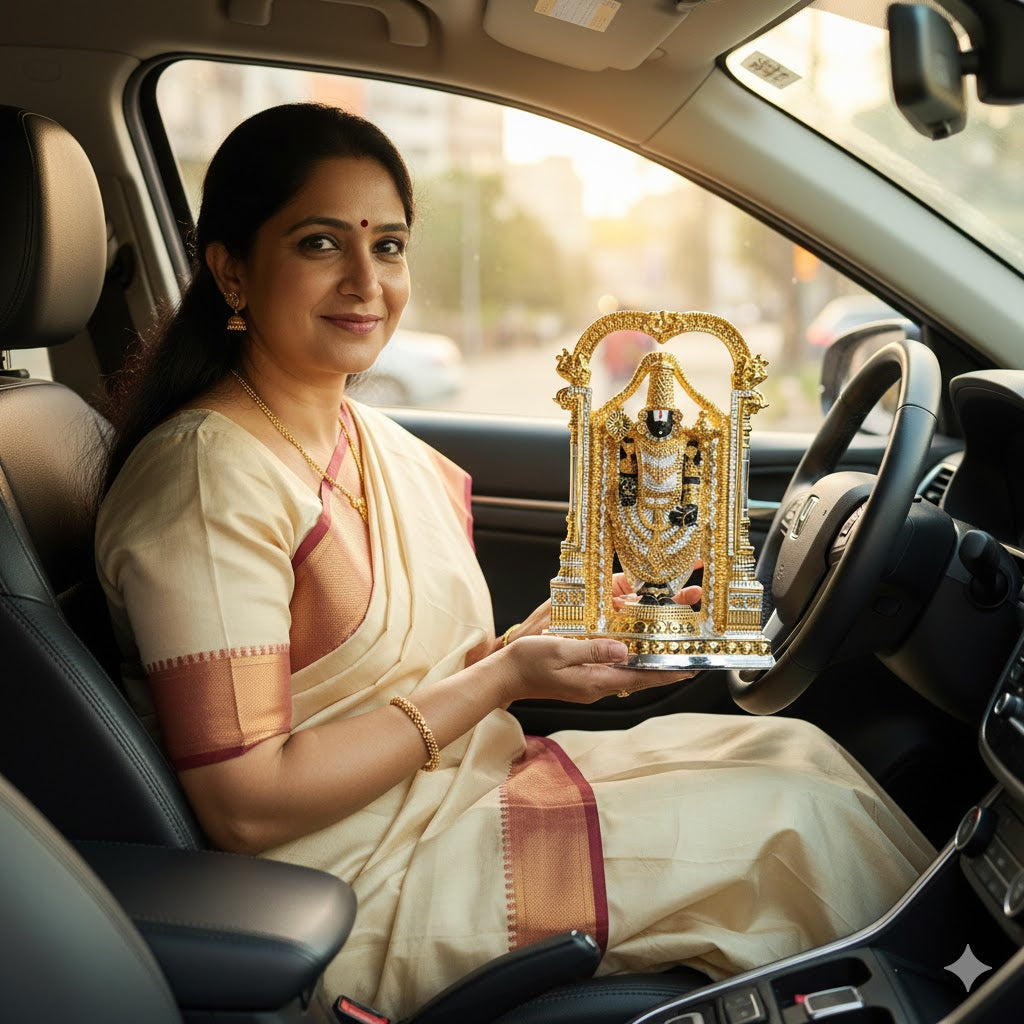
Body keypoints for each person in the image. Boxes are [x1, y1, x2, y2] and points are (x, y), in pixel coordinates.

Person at [94, 103, 934, 1020]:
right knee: (793, 827)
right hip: (351, 886)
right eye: (320, 243)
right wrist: (503, 682)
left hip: (455, 795)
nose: (367, 281)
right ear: (231, 271)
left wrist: (550, 647)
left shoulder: (358, 435)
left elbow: (399, 683)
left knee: (798, 758)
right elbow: (245, 803)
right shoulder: (207, 475)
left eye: (390, 246)